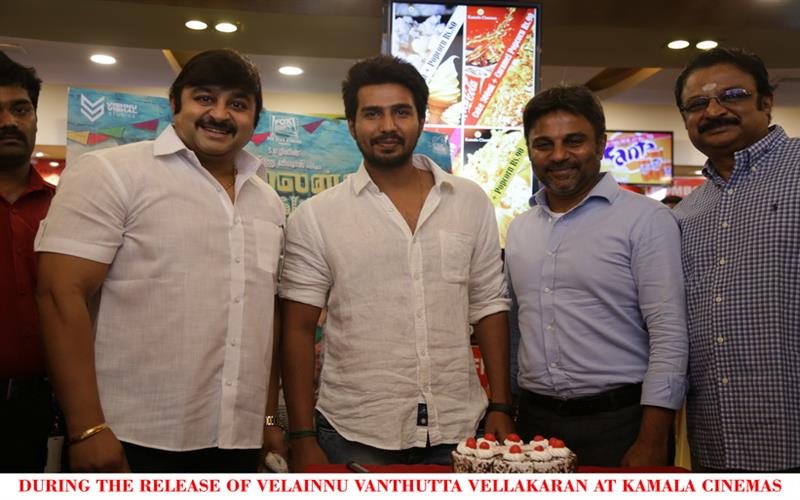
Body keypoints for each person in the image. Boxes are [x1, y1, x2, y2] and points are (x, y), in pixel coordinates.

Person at [35, 49, 285, 472]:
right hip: (129, 436)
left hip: (237, 441)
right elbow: (59, 295)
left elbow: (265, 316)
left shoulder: (267, 200)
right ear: (174, 103)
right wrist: (87, 428)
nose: (219, 114)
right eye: (204, 98)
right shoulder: (112, 172)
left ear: (254, 119)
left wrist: (266, 420)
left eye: (238, 104)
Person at [280, 55, 513, 472]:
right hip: (354, 432)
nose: (387, 126)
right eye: (372, 114)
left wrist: (501, 404)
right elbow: (297, 329)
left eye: (401, 112)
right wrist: (301, 436)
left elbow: (489, 304)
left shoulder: (469, 201)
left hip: (460, 427)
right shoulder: (316, 217)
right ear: (352, 125)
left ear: (421, 119)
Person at [505, 85, 688, 467]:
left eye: (574, 141)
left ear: (601, 143)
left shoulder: (646, 220)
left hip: (621, 423)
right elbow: (516, 327)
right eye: (544, 144)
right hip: (535, 425)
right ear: (530, 150)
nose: (559, 155)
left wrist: (653, 438)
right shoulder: (520, 228)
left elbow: (669, 334)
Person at [673, 47, 800, 472]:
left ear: (766, 101)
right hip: (718, 448)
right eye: (697, 104)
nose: (713, 111)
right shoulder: (686, 214)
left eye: (732, 95)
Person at [0, 51, 55, 472]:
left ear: (35, 118)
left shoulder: (66, 208)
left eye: (20, 109)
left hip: (41, 406)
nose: (8, 122)